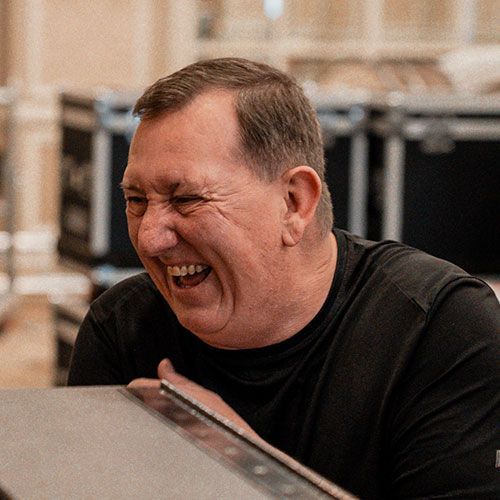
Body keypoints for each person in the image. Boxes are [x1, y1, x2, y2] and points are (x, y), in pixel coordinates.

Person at [68, 58, 499, 499]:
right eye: (137, 200)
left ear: (294, 203)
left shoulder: (440, 328)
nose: (149, 237)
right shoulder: (121, 327)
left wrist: (246, 465)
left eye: (187, 199)